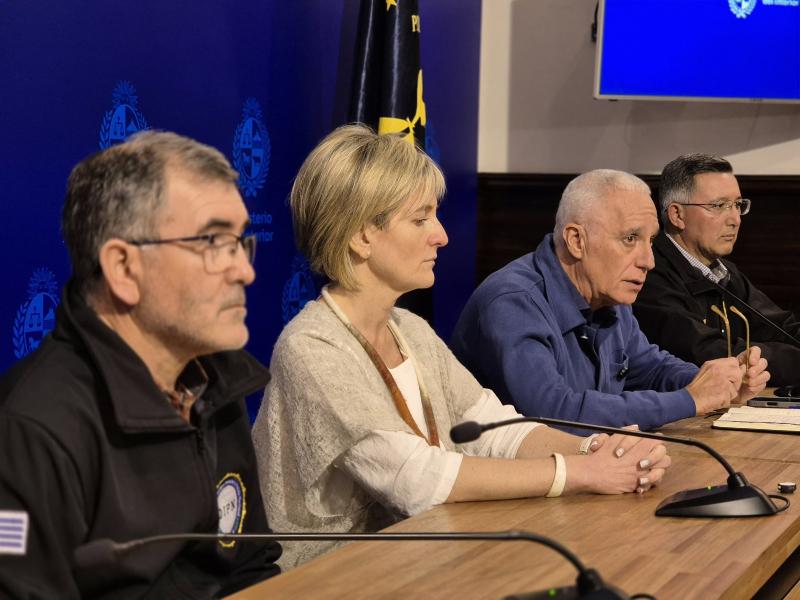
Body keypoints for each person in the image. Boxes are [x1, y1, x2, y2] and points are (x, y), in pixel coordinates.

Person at [253, 125, 671, 569]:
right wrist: (582, 473)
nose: (441, 235)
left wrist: (600, 451)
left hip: (417, 561)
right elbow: (414, 478)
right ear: (361, 236)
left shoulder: (409, 329)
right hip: (329, 577)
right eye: (421, 219)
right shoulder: (312, 347)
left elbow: (495, 428)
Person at [0, 131, 281, 599]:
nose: (245, 270)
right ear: (124, 269)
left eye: (240, 242)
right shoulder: (32, 430)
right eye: (213, 241)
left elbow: (250, 568)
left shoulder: (217, 384)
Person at [451, 169, 768, 431]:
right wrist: (691, 399)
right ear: (577, 240)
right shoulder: (513, 302)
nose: (649, 260)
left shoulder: (608, 295)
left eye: (651, 241)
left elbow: (649, 368)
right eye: (630, 239)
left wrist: (719, 382)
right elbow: (554, 414)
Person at [634, 154, 800, 387]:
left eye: (738, 205)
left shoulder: (724, 272)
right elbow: (709, 353)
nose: (735, 219)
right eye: (719, 205)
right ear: (677, 214)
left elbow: (780, 326)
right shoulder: (649, 275)